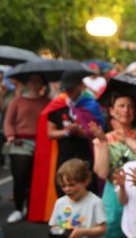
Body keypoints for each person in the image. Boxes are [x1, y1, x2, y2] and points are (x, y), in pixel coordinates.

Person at [29, 70, 105, 222]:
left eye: (72, 88)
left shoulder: (91, 105)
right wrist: (66, 132)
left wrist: (80, 132)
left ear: (81, 86)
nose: (69, 92)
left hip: (85, 155)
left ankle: (88, 227)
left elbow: (98, 134)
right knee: (64, 189)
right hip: (65, 156)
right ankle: (66, 226)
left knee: (87, 191)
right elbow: (50, 133)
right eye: (66, 88)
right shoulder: (57, 106)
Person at [89, 92, 136, 238]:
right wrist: (104, 142)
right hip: (113, 192)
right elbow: (102, 173)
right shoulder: (102, 139)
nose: (126, 110)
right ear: (111, 111)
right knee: (111, 230)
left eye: (130, 107)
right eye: (121, 106)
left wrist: (126, 139)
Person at [3, 74, 50, 223]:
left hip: (42, 142)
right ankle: (18, 208)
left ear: (43, 84)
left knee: (36, 179)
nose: (34, 83)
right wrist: (10, 134)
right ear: (27, 83)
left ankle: (32, 209)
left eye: (38, 81)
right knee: (20, 177)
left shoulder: (48, 102)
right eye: (31, 80)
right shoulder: (17, 101)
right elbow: (8, 121)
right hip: (21, 141)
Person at [49, 158, 106, 238]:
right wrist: (63, 231)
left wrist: (82, 232)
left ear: (85, 181)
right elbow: (53, 226)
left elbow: (103, 229)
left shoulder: (95, 202)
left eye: (71, 185)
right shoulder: (60, 202)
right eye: (63, 186)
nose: (67, 189)